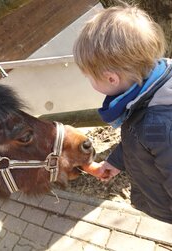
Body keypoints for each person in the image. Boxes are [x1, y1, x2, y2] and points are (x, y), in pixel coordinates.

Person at [73, 3, 172, 223]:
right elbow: (141, 142)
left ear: (111, 78)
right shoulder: (150, 92)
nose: (88, 81)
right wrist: (117, 161)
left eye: (89, 76)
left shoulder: (157, 123)